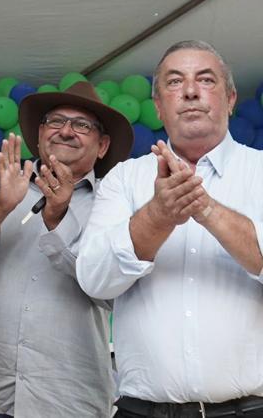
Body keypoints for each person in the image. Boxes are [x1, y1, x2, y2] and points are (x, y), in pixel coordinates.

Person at [78, 40, 263, 416]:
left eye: (206, 80)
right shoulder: (125, 180)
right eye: (175, 82)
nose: (192, 91)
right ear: (159, 106)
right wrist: (158, 216)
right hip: (143, 409)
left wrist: (206, 208)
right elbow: (94, 280)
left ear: (230, 99)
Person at [0, 82, 132, 417]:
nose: (66, 131)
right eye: (56, 121)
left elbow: (112, 294)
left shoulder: (116, 204)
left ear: (103, 145)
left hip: (68, 398)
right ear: (39, 133)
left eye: (82, 125)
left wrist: (58, 218)